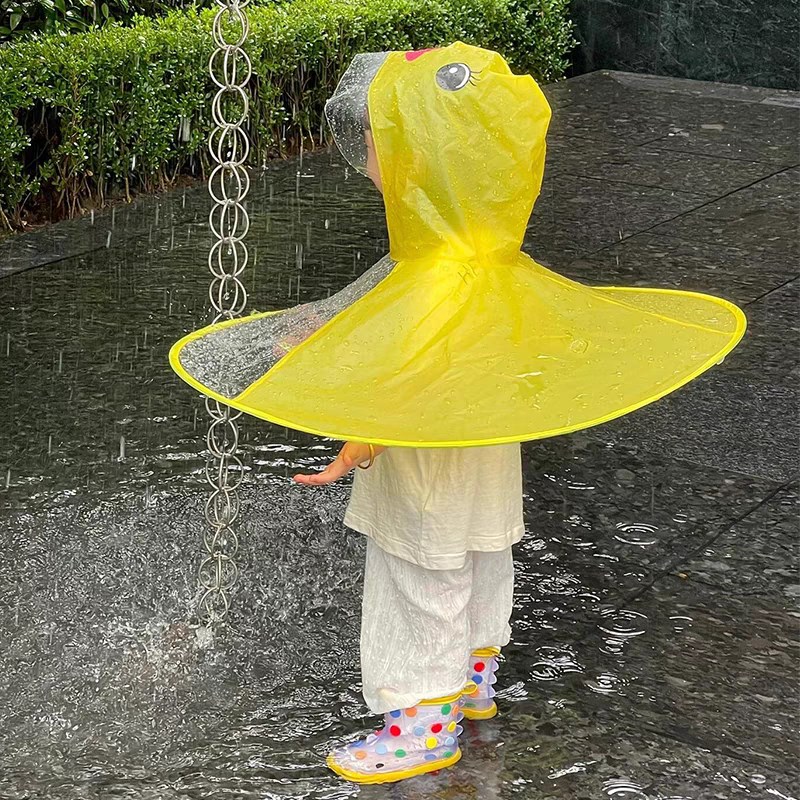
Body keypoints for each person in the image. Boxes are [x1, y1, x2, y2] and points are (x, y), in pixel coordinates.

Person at [169, 41, 745, 786]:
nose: (366, 155)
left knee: (419, 570)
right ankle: (475, 681)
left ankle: (421, 722)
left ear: (420, 158)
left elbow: (399, 380)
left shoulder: (429, 281)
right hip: (482, 446)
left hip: (424, 457)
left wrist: (357, 448)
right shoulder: (488, 257)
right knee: (478, 554)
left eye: (379, 140)